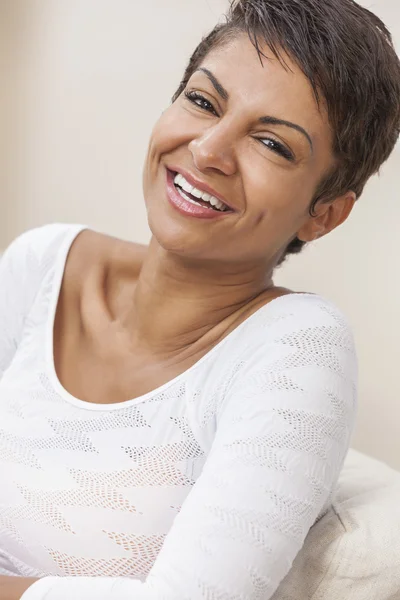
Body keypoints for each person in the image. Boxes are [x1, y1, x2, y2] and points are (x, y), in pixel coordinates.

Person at [0, 0, 399, 598]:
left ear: (324, 213)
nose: (208, 150)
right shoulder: (44, 264)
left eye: (271, 143)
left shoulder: (297, 348)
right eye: (203, 101)